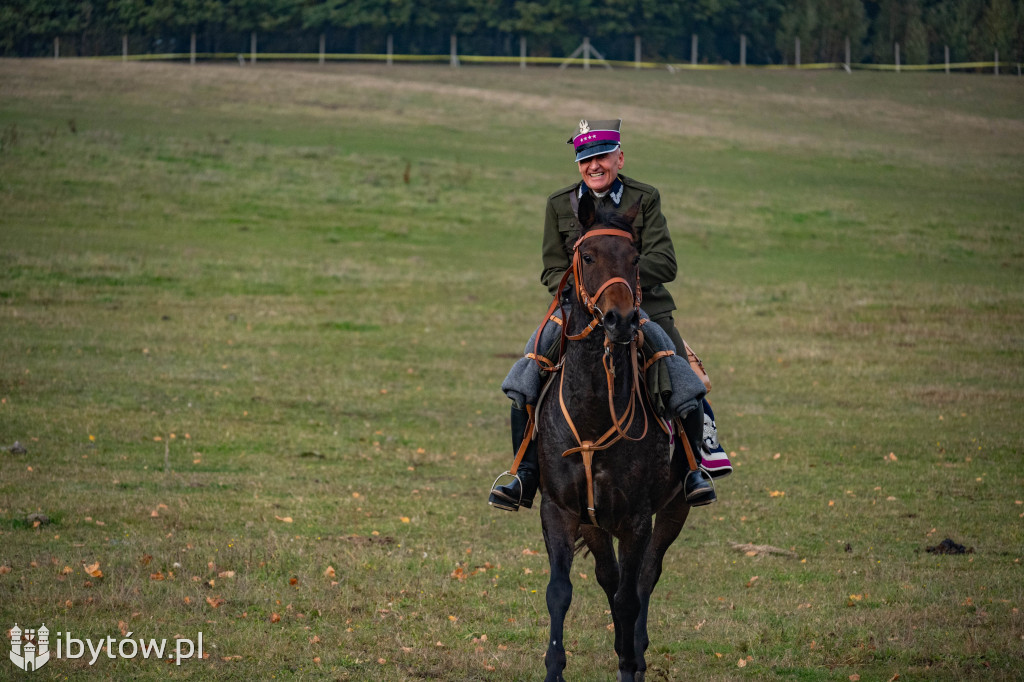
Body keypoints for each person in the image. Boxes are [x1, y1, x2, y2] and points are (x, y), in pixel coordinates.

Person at [489, 119, 732, 513]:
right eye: (585, 159)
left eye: (601, 156)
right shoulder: (558, 204)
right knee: (528, 371)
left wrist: (623, 285)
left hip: (643, 307)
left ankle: (694, 468)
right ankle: (523, 473)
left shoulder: (645, 198)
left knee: (679, 375)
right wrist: (586, 294)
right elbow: (552, 269)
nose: (594, 165)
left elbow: (665, 262)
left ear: (619, 157)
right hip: (579, 311)